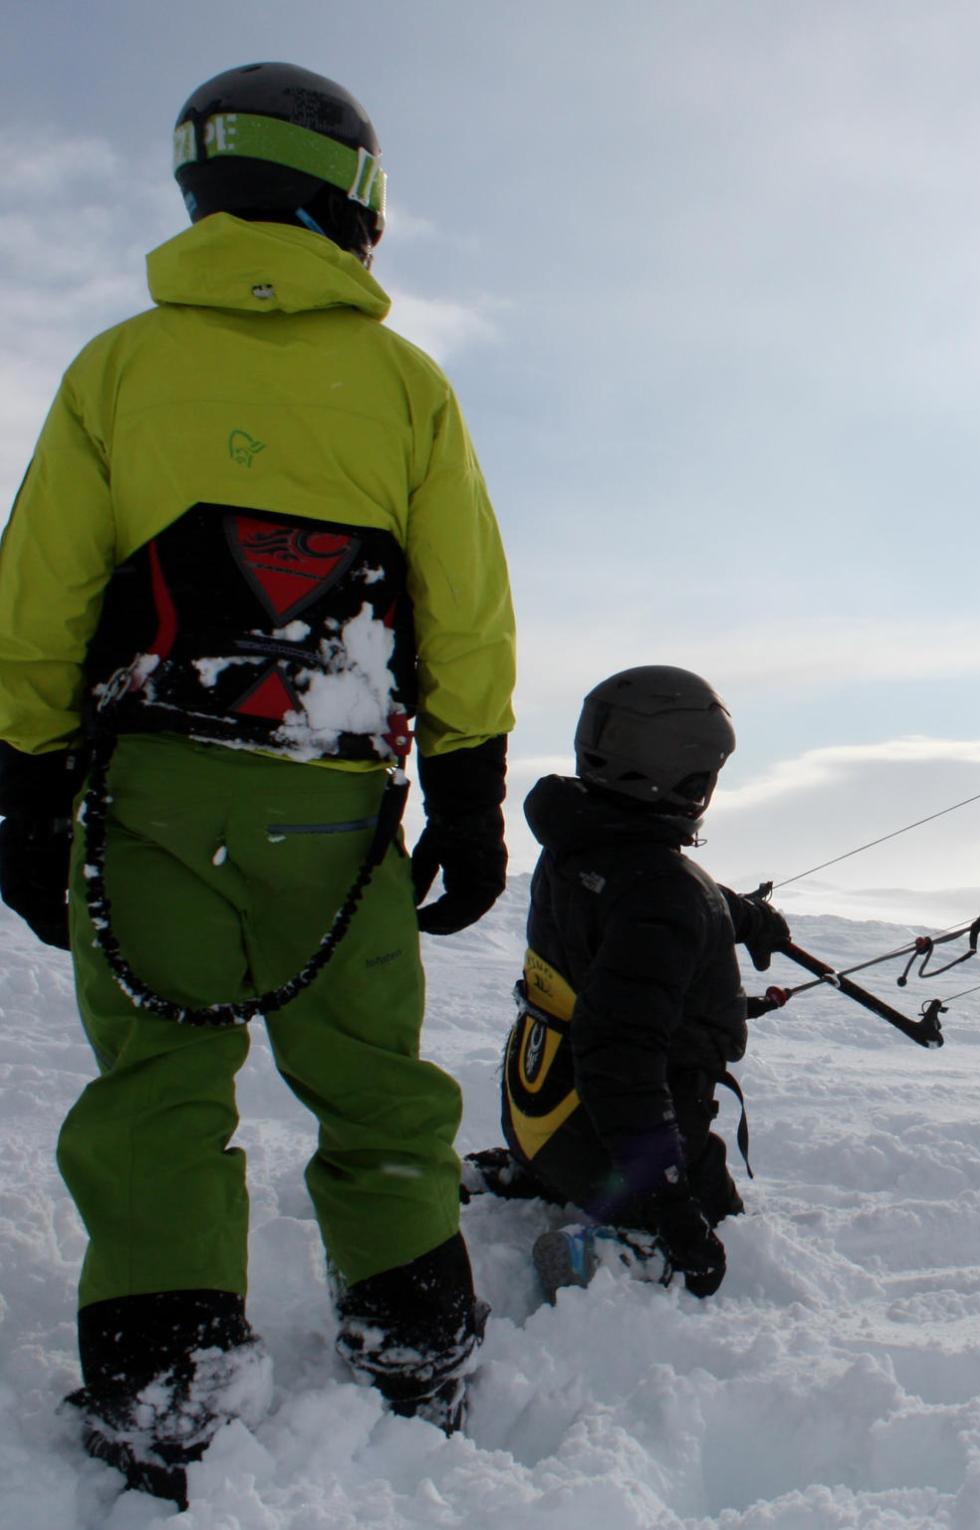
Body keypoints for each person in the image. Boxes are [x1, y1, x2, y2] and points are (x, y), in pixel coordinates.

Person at [0, 63, 516, 1505]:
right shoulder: (406, 386)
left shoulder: (119, 367)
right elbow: (462, 606)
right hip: (335, 805)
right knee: (373, 1085)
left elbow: (38, 594)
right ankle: (415, 1342)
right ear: (351, 198)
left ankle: (164, 1376)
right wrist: (469, 787)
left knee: (160, 1080)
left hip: (151, 792)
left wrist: (26, 782)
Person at [470, 666, 785, 1300]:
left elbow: (642, 889)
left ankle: (542, 1179)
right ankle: (620, 1259)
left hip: (539, 1113)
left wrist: (744, 919)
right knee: (722, 1239)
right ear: (685, 774)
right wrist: (673, 1208)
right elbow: (621, 1062)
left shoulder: (575, 837)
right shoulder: (664, 895)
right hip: (608, 1136)